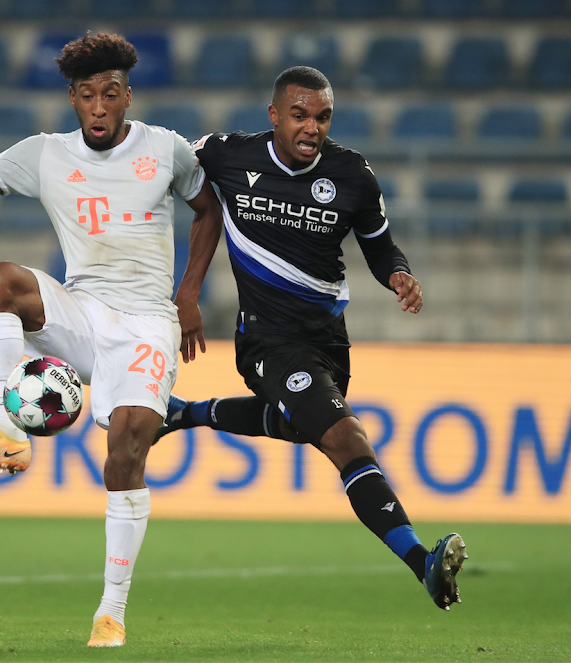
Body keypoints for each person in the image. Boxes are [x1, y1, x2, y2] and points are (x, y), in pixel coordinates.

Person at [0, 32, 222, 647]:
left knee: (125, 451)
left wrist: (189, 293)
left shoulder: (165, 149)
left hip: (149, 322)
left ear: (127, 96)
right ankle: (5, 433)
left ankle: (111, 611)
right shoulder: (45, 154)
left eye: (111, 94)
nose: (100, 107)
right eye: (88, 95)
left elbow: (210, 209)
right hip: (84, 312)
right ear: (72, 98)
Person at [158, 66, 469, 611]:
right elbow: (159, 165)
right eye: (299, 115)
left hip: (328, 340)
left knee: (301, 427)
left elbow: (379, 245)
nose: (312, 128)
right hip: (266, 341)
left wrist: (398, 273)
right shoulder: (227, 154)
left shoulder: (352, 175)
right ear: (274, 115)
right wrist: (182, 288)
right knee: (346, 440)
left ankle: (185, 414)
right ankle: (422, 562)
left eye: (322, 117)